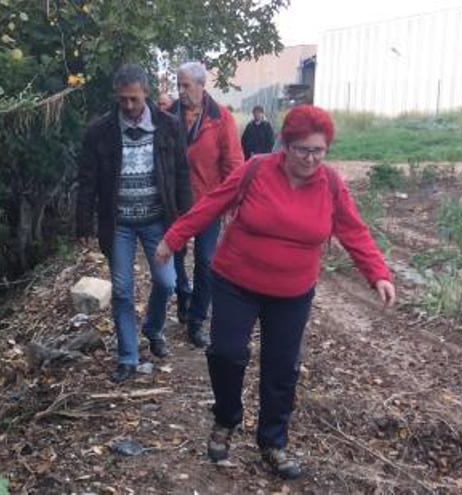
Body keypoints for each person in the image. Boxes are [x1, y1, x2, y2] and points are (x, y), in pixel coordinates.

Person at [154, 105, 396, 478]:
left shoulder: (330, 184)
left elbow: (354, 230)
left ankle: (272, 442)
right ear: (285, 145)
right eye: (302, 149)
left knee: (282, 369)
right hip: (236, 281)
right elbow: (213, 203)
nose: (310, 158)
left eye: (318, 150)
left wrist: (378, 274)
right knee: (226, 354)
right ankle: (226, 418)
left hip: (292, 292)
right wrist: (174, 237)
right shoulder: (257, 170)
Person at [76, 64, 193, 383]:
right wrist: (83, 224)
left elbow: (182, 175)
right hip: (119, 225)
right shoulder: (99, 132)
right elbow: (86, 181)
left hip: (158, 220)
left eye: (134, 100)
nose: (128, 106)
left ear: (146, 94)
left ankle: (153, 328)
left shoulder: (169, 126)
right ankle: (128, 357)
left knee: (167, 282)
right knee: (124, 292)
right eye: (123, 100)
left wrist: (187, 219)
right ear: (116, 96)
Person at [169, 61, 244, 348]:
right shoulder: (169, 115)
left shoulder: (221, 118)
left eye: (186, 85)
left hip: (208, 204)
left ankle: (197, 319)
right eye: (178, 85)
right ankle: (183, 295)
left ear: (202, 86)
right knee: (173, 258)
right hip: (176, 203)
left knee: (207, 261)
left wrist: (230, 205)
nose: (181, 90)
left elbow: (234, 165)